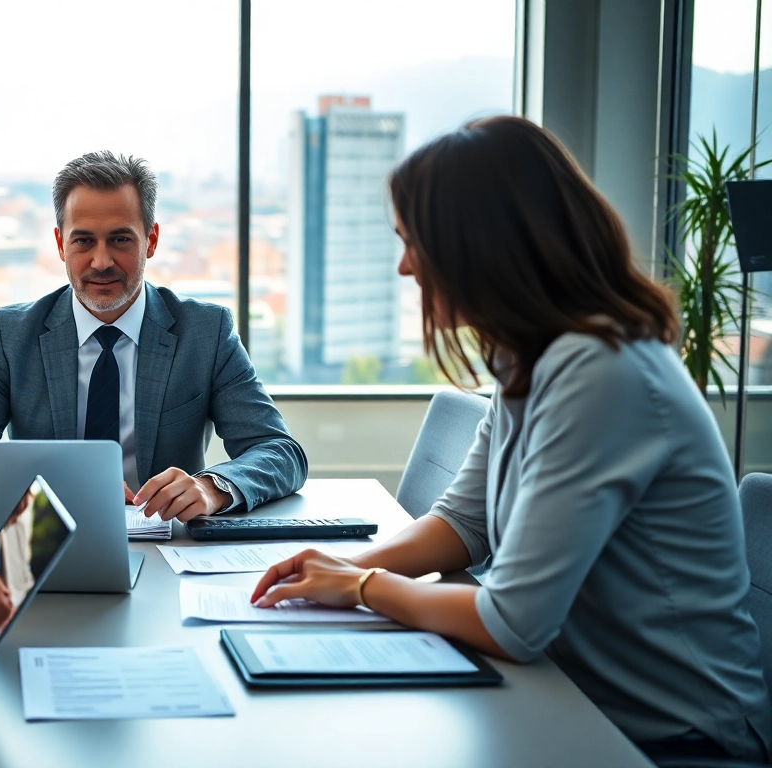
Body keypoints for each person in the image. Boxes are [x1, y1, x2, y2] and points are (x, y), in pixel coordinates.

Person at [250, 116, 771, 762]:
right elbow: (463, 524)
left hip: (675, 742)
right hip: (572, 700)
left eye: (417, 243)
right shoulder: (530, 357)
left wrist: (361, 590)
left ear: (482, 247)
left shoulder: (604, 374)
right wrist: (343, 566)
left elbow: (512, 622)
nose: (406, 266)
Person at [0, 151, 307, 520]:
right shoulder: (11, 336)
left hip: (169, 547)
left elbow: (280, 452)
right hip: (43, 543)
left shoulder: (206, 334)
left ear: (151, 240)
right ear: (61, 244)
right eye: (83, 241)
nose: (101, 261)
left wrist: (213, 487)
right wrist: (42, 491)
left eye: (120, 240)